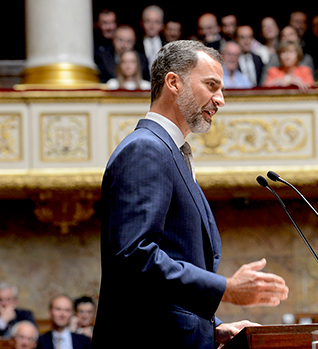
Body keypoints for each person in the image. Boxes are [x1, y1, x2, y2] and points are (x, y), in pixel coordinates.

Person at [91, 40, 289, 349]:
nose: (220, 100)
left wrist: (212, 328)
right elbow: (134, 256)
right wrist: (225, 289)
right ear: (173, 82)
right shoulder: (146, 148)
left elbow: (170, 269)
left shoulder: (170, 151)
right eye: (212, 85)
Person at [135, 5, 167, 71]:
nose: (152, 26)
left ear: (162, 25)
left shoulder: (168, 46)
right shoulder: (135, 45)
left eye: (156, 22)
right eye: (148, 21)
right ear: (142, 23)